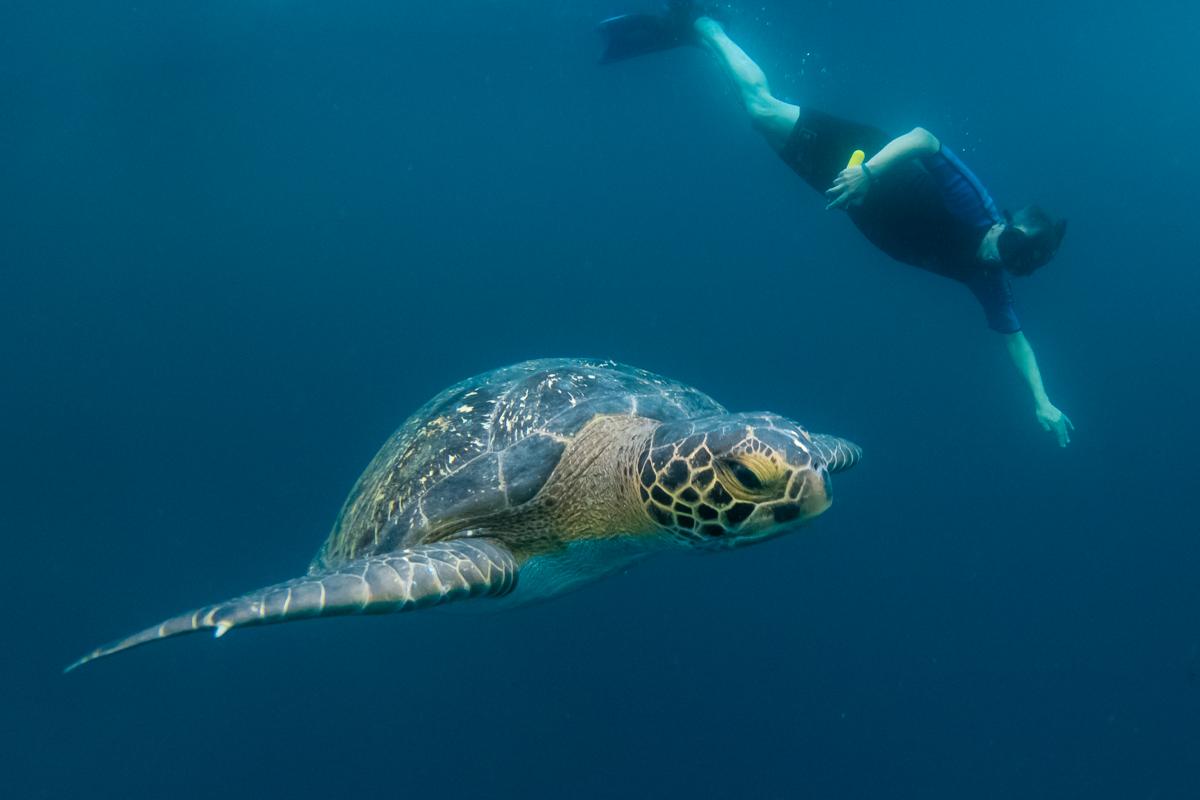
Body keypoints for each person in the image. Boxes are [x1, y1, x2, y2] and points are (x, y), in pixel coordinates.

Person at [598, 2, 1075, 447]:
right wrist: (868, 172)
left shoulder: (986, 276)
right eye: (1008, 242)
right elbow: (924, 139)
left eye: (1013, 263)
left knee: (758, 116)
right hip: (858, 160)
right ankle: (705, 25)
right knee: (764, 109)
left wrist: (1042, 401)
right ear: (1006, 221)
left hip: (845, 193)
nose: (999, 256)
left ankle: (697, 33)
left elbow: (1017, 340)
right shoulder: (977, 206)